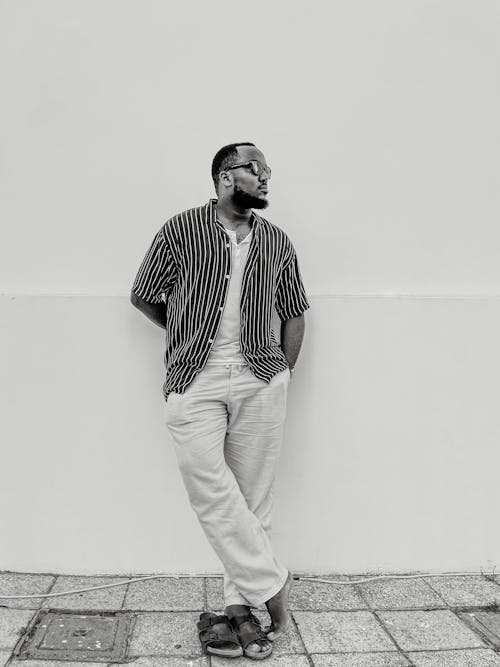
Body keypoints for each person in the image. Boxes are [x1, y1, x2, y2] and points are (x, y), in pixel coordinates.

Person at [130, 142, 309, 659]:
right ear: (228, 177)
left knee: (253, 498)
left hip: (260, 376)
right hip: (196, 376)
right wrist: (187, 336)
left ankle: (239, 611)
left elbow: (295, 309)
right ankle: (274, 591)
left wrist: (284, 373)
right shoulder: (180, 229)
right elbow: (144, 293)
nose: (268, 178)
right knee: (209, 486)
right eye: (259, 169)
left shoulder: (276, 241)